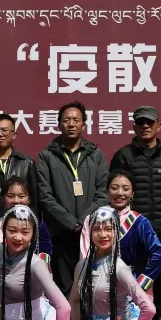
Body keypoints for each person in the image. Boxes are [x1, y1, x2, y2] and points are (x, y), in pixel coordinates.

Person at [74, 207, 157, 320]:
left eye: (108, 229)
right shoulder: (82, 265)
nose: (103, 234)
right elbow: (74, 300)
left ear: (116, 232)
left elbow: (148, 308)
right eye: (97, 229)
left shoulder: (119, 268)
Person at [109, 105, 161, 320]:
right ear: (134, 126)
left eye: (150, 122)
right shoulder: (123, 155)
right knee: (132, 281)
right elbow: (117, 190)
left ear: (159, 125)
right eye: (141, 122)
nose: (145, 126)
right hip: (133, 229)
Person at [36, 101, 109, 295]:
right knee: (64, 288)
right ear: (59, 124)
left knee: (92, 286)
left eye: (76, 120)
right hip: (60, 233)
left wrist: (84, 221)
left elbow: (103, 192)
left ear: (83, 125)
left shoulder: (96, 155)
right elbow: (45, 195)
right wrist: (70, 222)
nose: (71, 124)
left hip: (91, 233)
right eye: (66, 120)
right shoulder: (46, 156)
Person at [79, 170, 161, 299]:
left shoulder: (140, 223)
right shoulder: (92, 220)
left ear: (132, 193)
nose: (120, 193)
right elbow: (85, 256)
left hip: (131, 294)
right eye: (114, 188)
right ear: (107, 191)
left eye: (125, 189)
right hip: (99, 289)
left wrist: (139, 286)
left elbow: (159, 257)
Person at [0, 176, 53, 274]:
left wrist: (40, 271)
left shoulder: (39, 226)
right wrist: (1, 274)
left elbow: (45, 251)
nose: (16, 201)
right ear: (3, 198)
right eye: (10, 196)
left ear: (29, 199)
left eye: (21, 196)